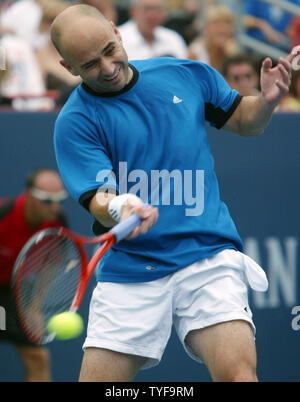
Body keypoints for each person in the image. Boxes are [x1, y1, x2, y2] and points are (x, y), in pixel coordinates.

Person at [50, 4, 298, 382]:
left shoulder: (184, 74)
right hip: (130, 268)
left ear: (117, 33)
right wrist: (121, 205)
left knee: (239, 376)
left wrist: (265, 101)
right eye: (89, 65)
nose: (107, 67)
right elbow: (99, 200)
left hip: (207, 256)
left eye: (109, 51)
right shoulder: (75, 121)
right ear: (69, 68)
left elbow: (246, 122)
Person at [0, 168, 68, 382]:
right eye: (47, 200)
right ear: (29, 195)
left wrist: (35, 305)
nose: (55, 207)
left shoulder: (57, 223)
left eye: (59, 200)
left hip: (12, 292)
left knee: (38, 357)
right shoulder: (3, 213)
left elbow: (51, 265)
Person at [117, 0, 187, 60]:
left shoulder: (173, 38)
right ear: (133, 11)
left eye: (157, 10)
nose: (152, 15)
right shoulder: (118, 38)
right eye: (147, 9)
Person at [188, 5, 240, 72]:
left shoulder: (234, 54)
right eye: (216, 23)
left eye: (227, 23)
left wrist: (233, 58)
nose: (222, 28)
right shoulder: (195, 53)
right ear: (206, 29)